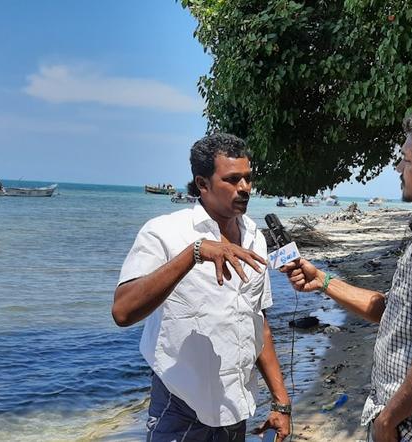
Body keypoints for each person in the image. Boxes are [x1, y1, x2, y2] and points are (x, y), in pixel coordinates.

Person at [282, 107, 412, 441]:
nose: (398, 168)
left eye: (407, 160)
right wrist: (321, 281)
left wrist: (386, 422)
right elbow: (391, 311)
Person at [113, 133, 291, 442]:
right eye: (233, 179)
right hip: (179, 402)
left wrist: (281, 401)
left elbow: (258, 323)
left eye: (248, 178)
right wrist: (193, 253)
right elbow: (123, 311)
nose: (245, 188)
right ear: (202, 183)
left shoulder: (255, 238)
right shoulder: (164, 232)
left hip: (236, 403)